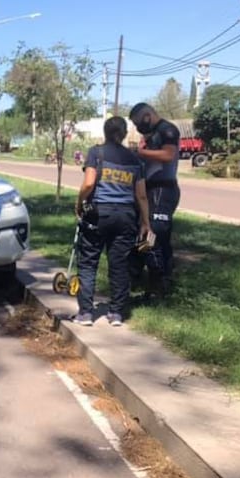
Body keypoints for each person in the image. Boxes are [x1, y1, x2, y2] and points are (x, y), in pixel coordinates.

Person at [72, 117, 151, 327]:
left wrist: (79, 202)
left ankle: (86, 314)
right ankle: (116, 313)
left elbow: (89, 183)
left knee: (88, 263)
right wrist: (146, 222)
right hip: (126, 217)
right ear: (124, 134)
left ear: (105, 132)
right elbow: (141, 195)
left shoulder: (96, 153)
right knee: (119, 264)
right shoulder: (135, 160)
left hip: (98, 214)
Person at [129, 102, 181, 297]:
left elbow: (168, 155)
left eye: (138, 123)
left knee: (155, 234)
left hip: (163, 189)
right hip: (149, 189)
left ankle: (160, 282)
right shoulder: (151, 134)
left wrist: (140, 153)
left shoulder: (168, 130)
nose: (138, 128)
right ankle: (137, 277)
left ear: (147, 115)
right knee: (141, 230)